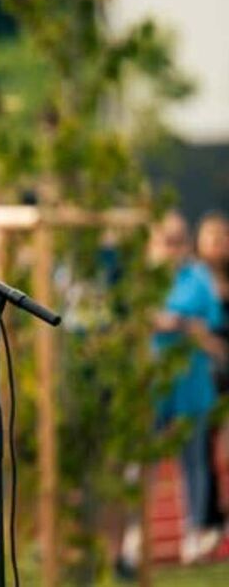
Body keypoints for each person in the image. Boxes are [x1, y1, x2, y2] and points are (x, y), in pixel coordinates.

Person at [149, 211, 226, 564]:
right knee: (145, 460)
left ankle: (194, 532)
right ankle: (138, 534)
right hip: (152, 380)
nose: (172, 247)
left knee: (193, 459)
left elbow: (209, 324)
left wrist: (177, 322)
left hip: (191, 379)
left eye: (178, 240)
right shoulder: (146, 278)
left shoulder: (198, 277)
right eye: (167, 240)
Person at [196, 211, 229, 543]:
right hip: (207, 370)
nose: (221, 244)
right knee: (209, 445)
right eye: (214, 238)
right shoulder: (195, 278)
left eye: (224, 237)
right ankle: (210, 518)